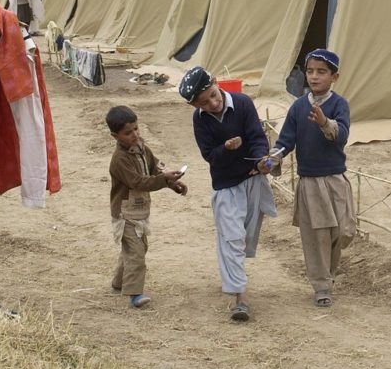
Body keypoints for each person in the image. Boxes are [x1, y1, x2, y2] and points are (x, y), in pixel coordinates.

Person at [179, 66, 276, 321]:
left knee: (244, 237)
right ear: (195, 106)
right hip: (226, 186)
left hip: (252, 180)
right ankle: (239, 297)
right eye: (204, 102)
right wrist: (226, 147)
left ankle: (233, 275)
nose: (213, 103)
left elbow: (256, 137)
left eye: (213, 94)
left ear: (216, 83)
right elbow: (210, 156)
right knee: (231, 238)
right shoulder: (200, 120)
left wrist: (261, 159)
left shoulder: (243, 103)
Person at [262, 48, 354, 309]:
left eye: (321, 72)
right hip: (310, 182)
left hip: (335, 180)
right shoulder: (299, 106)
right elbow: (285, 141)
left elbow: (342, 135)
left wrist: (325, 122)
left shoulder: (339, 105)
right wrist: (272, 160)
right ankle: (321, 285)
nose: (314, 77)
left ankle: (329, 274)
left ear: (334, 77)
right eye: (310, 71)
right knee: (317, 236)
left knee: (341, 232)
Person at [106, 105, 187, 309]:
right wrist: (163, 180)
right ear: (115, 136)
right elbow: (139, 182)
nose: (134, 134)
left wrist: (173, 183)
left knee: (137, 249)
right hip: (125, 212)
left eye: (136, 129)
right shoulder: (120, 159)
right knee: (136, 253)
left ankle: (118, 282)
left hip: (140, 209)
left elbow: (155, 167)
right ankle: (135, 293)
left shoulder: (141, 147)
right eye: (128, 132)